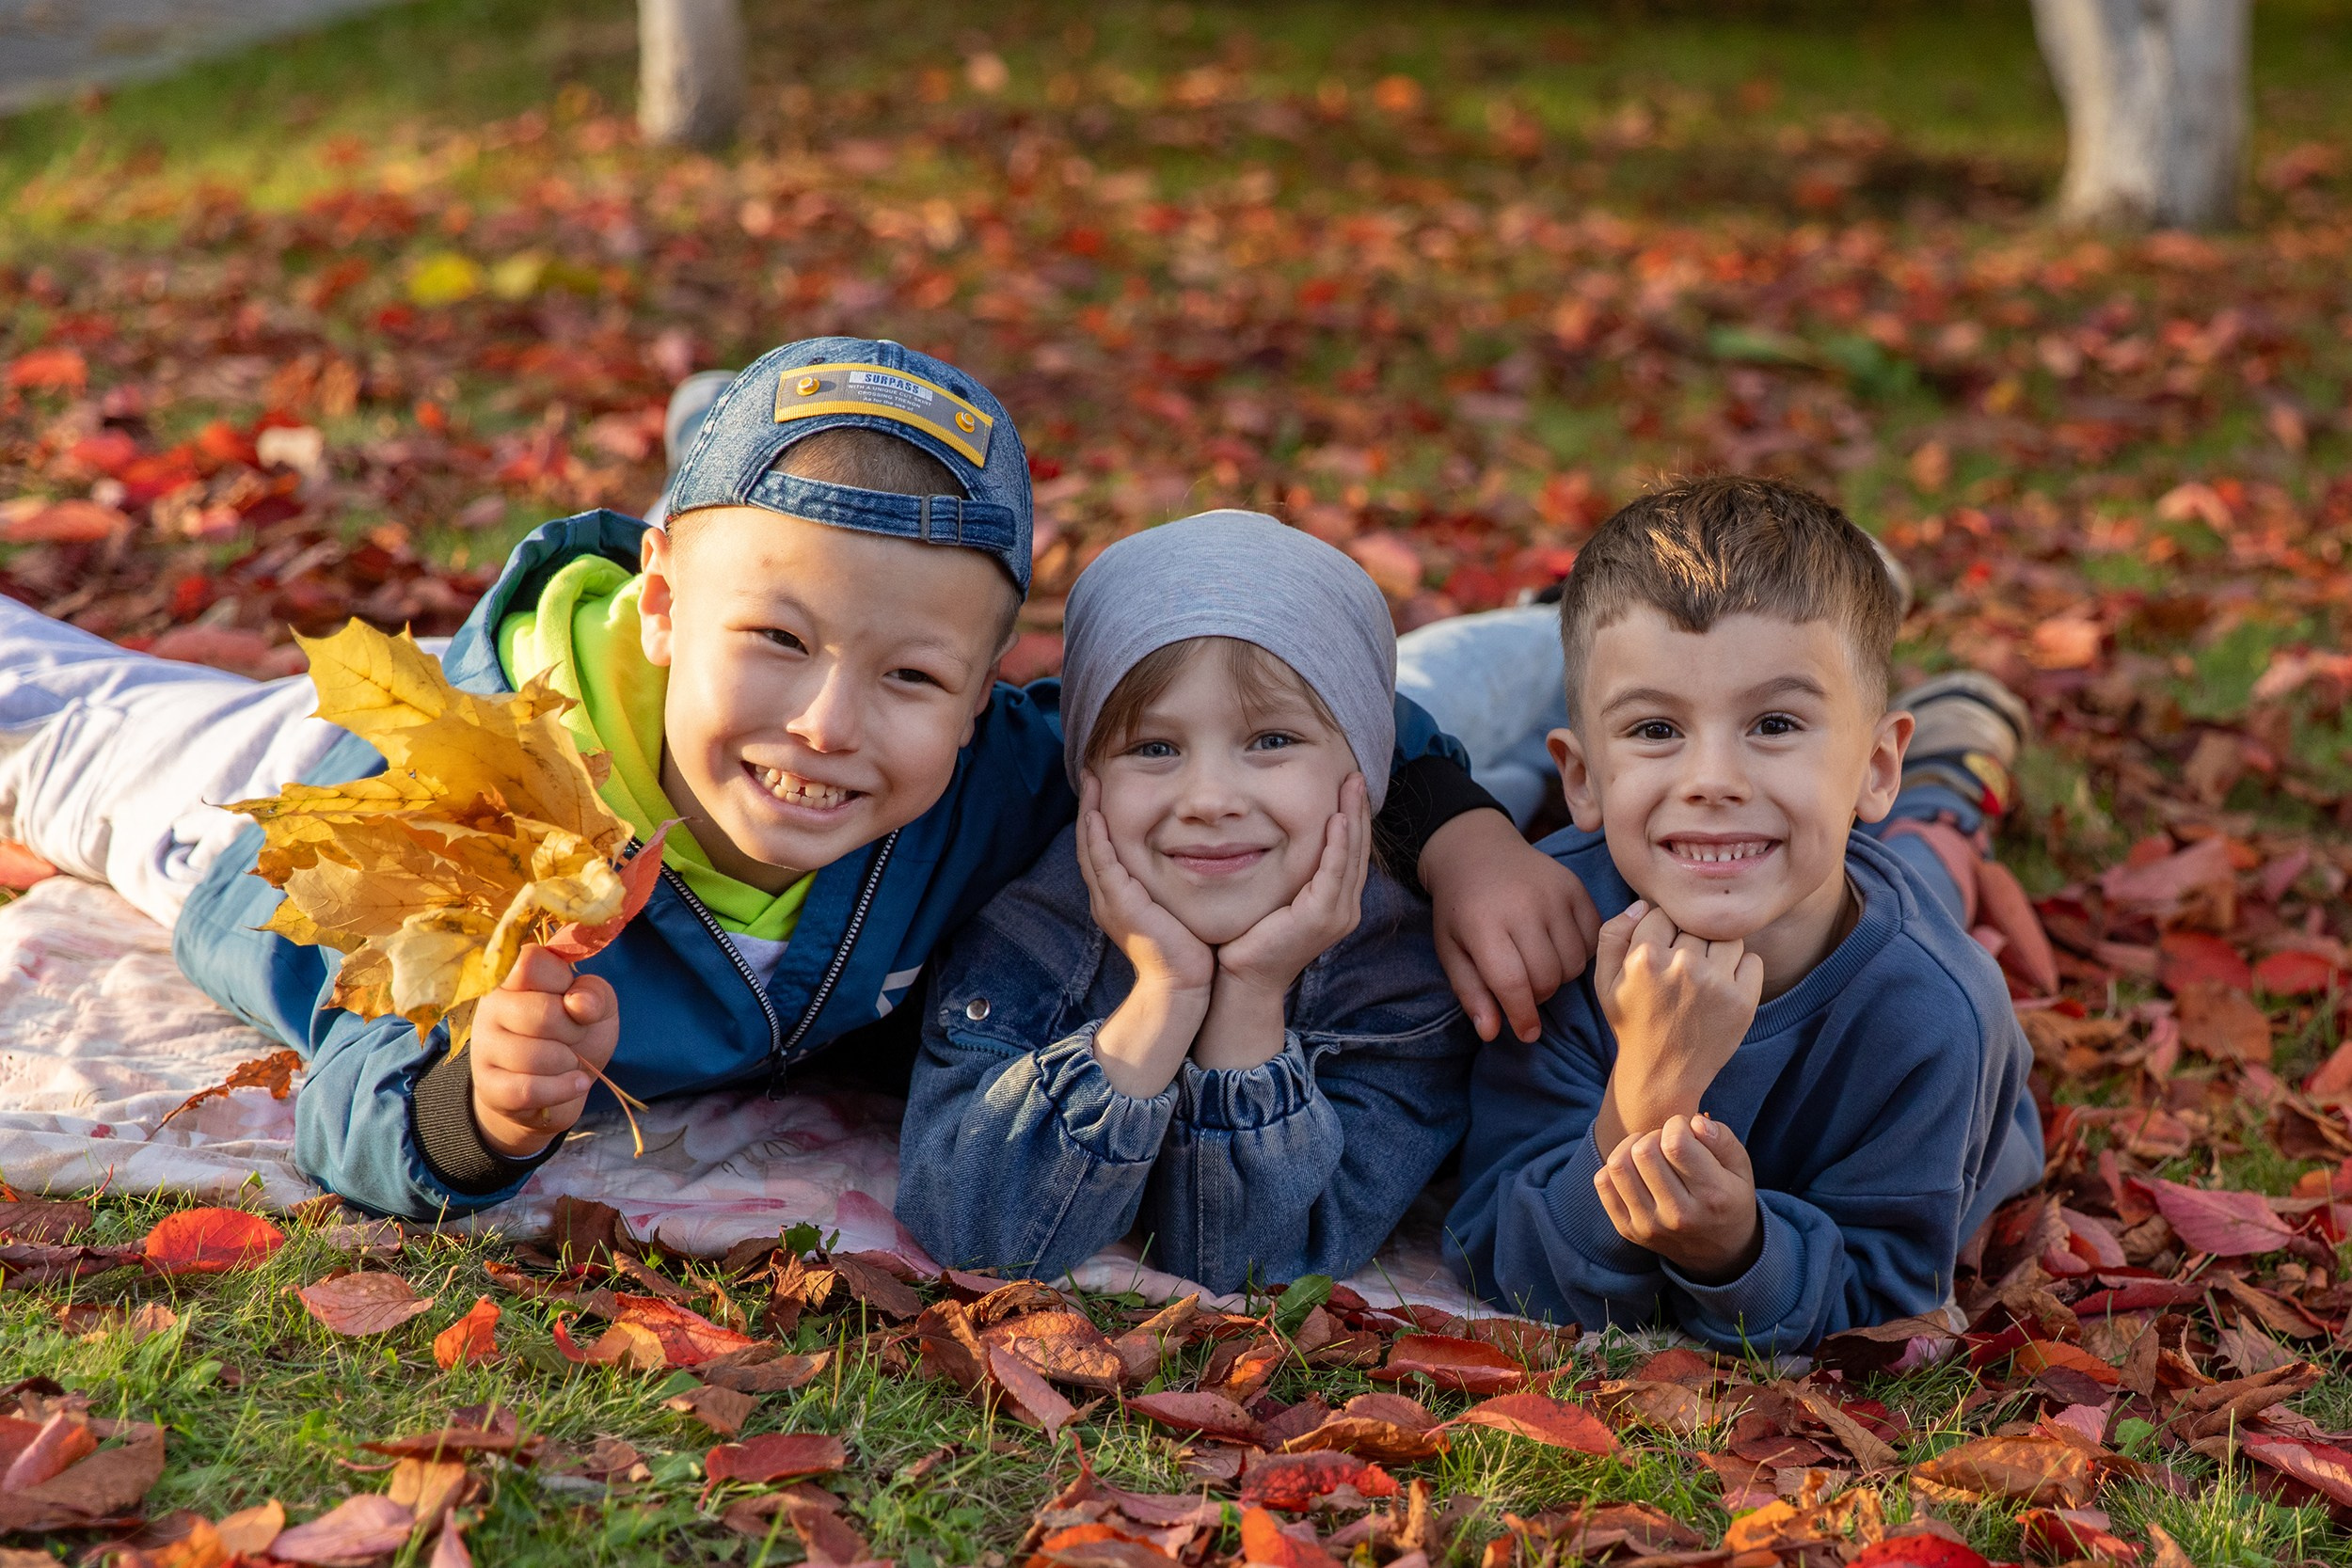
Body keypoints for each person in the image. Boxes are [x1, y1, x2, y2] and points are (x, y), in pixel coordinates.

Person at [0, 338, 1596, 1221]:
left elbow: (1288, 717)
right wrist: (474, 1102)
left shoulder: (994, 774)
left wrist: (1455, 834)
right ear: (665, 598)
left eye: (911, 676)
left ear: (987, 694)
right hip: (257, 794)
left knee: (1311, 699)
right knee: (56, 726)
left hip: (680, 681)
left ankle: (1558, 630)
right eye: (779, 638)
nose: (834, 726)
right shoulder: (475, 823)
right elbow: (351, 1105)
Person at [1442, 475, 2043, 1352]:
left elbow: (1889, 1296)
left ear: (1876, 763)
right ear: (1580, 778)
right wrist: (1643, 1097)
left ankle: (1951, 789)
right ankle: (1943, 789)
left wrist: (1739, 1252)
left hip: (1866, 903)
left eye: (1773, 722)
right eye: (1655, 730)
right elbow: (1499, 1246)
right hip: (1796, 851)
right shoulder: (1557, 935)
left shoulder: (1938, 1015)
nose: (1713, 778)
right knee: (1847, 851)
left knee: (1919, 868)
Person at [895, 513, 1480, 1291]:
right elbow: (980, 1231)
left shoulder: (1404, 981)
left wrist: (1251, 1001)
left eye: (1272, 741)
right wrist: (1164, 997)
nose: (1209, 798)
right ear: (1087, 774)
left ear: (1366, 766)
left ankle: (1523, 631)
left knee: (1476, 691)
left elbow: (1257, 1265)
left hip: (1448, 758)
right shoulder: (1028, 924)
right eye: (1154, 747)